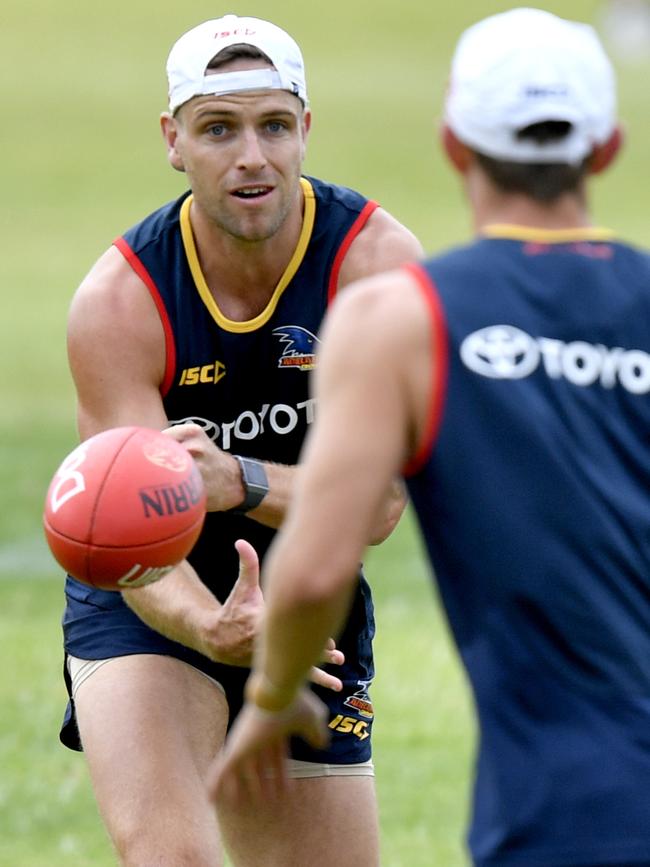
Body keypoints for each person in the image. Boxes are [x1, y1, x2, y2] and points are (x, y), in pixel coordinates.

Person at [211, 8, 650, 867]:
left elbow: (320, 562)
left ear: (454, 144)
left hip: (575, 809)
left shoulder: (402, 318)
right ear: (606, 148)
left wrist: (270, 696)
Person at [60, 13, 421, 867]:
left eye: (273, 125)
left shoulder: (375, 267)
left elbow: (382, 506)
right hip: (150, 593)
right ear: (174, 141)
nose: (251, 156)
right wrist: (205, 623)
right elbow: (123, 529)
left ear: (307, 129)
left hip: (309, 597)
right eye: (219, 128)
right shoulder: (121, 300)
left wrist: (240, 481)